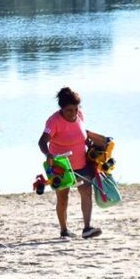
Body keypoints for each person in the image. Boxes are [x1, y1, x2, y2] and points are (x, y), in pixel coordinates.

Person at [38, 87, 106, 240]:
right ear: (62, 108)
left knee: (86, 192)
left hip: (81, 162)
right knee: (63, 198)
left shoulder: (80, 115)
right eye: (69, 110)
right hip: (61, 166)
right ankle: (64, 230)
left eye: (76, 109)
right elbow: (42, 141)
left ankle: (87, 228)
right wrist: (48, 153)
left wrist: (93, 143)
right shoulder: (54, 121)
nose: (74, 112)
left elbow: (82, 134)